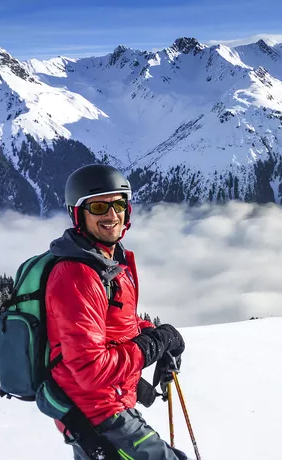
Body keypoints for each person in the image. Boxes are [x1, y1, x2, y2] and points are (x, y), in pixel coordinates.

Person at [45, 163, 188, 459]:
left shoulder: (105, 263)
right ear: (78, 214)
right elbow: (90, 370)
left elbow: (115, 323)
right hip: (99, 413)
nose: (112, 215)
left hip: (107, 405)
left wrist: (158, 336)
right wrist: (154, 345)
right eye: (99, 206)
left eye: (119, 204)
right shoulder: (77, 275)